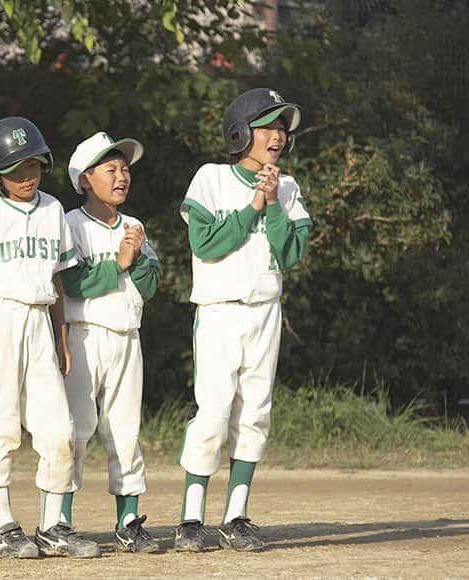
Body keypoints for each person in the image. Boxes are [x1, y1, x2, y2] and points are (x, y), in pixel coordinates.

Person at [0, 117, 99, 559]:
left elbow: (57, 278)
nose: (27, 176)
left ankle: (52, 527)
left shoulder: (52, 209)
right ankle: (3, 527)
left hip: (39, 320)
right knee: (2, 424)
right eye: (15, 170)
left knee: (60, 428)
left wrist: (61, 335)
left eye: (33, 166)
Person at [174, 88, 312, 553]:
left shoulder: (287, 188)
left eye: (282, 128)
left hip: (265, 311)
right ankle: (191, 517)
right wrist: (254, 203)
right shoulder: (211, 177)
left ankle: (235, 516)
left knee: (255, 413)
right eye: (267, 126)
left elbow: (289, 252)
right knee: (213, 412)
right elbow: (206, 244)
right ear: (240, 133)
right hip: (220, 311)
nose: (277, 135)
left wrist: (272, 203)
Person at [61, 131, 161, 553]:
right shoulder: (70, 224)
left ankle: (128, 520)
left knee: (125, 430)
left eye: (124, 169)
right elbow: (71, 282)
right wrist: (119, 262)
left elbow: (151, 286)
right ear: (85, 179)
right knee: (75, 429)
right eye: (110, 169)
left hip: (126, 338)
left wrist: (134, 260)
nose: (121, 176)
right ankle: (60, 520)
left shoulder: (134, 227)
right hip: (83, 336)